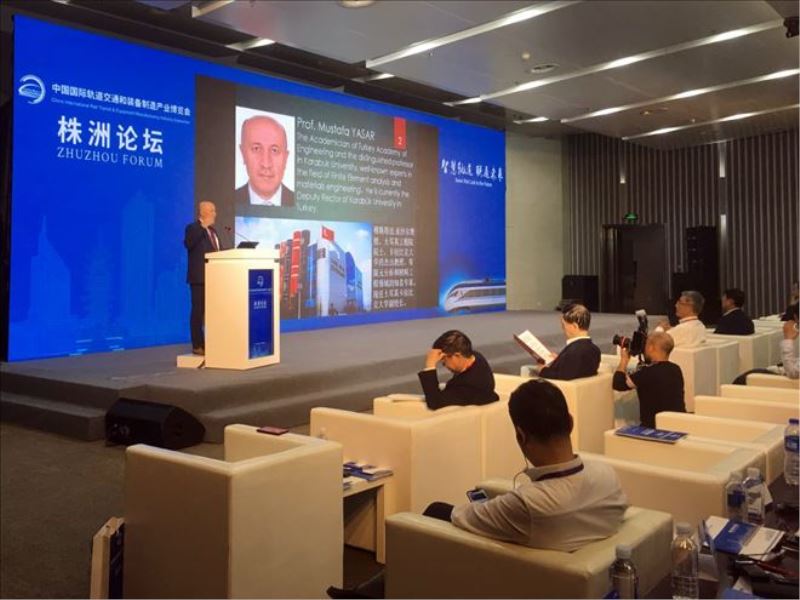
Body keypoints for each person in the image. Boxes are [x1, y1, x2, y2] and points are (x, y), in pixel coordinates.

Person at [327, 379, 628, 599]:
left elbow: (463, 518)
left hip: (505, 572)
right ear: (570, 423)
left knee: (437, 511)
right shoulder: (607, 476)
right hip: (559, 554)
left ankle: (370, 594)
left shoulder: (529, 504)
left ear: (521, 436)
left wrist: (495, 505)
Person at [612, 332, 686, 428]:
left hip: (654, 428)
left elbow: (618, 384)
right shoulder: (676, 369)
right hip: (680, 423)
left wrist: (624, 360)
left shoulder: (647, 373)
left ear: (651, 348)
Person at [418, 330, 499, 410]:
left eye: (443, 359)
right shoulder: (475, 357)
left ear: (457, 355)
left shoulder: (469, 386)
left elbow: (435, 403)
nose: (443, 364)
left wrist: (430, 365)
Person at [184, 201, 221, 355]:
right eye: (212, 211)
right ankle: (197, 345)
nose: (215, 214)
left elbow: (218, 252)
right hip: (199, 278)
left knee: (213, 312)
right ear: (203, 212)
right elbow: (189, 244)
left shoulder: (213, 231)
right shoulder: (193, 228)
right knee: (198, 312)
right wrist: (203, 226)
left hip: (214, 278)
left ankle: (212, 343)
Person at [235, 115, 294, 208]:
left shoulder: (299, 202)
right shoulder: (228, 200)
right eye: (256, 148)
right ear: (243, 153)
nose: (266, 164)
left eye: (274, 150)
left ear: (285, 158)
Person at [535, 303, 601, 380]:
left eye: (563, 325)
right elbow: (575, 368)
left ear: (574, 326)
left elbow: (562, 377)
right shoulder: (595, 350)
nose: (562, 328)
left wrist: (542, 370)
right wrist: (559, 359)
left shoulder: (573, 352)